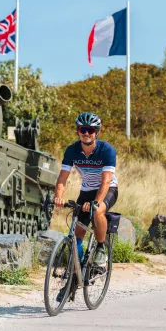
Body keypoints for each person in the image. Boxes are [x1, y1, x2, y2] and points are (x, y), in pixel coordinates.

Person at [54, 112, 118, 268]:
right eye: (83, 130)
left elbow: (106, 180)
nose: (87, 133)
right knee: (77, 235)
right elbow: (63, 178)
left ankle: (101, 248)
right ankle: (76, 273)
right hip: (86, 190)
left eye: (91, 130)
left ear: (97, 132)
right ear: (78, 131)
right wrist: (58, 197)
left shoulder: (107, 150)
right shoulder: (72, 150)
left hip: (108, 189)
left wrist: (96, 202)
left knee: (97, 212)